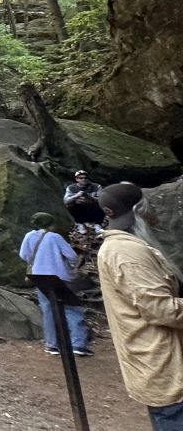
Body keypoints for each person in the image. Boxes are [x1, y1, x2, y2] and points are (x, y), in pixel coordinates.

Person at [97, 183, 183, 430]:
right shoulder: (127, 251)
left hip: (158, 361)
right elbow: (162, 310)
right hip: (164, 365)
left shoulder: (123, 247)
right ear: (139, 209)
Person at [19, 212, 92, 356]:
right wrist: (71, 267)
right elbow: (71, 256)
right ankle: (78, 344)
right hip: (59, 277)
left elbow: (23, 255)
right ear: (49, 224)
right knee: (71, 308)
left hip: (38, 276)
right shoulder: (55, 237)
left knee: (48, 309)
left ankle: (52, 345)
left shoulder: (28, 236)